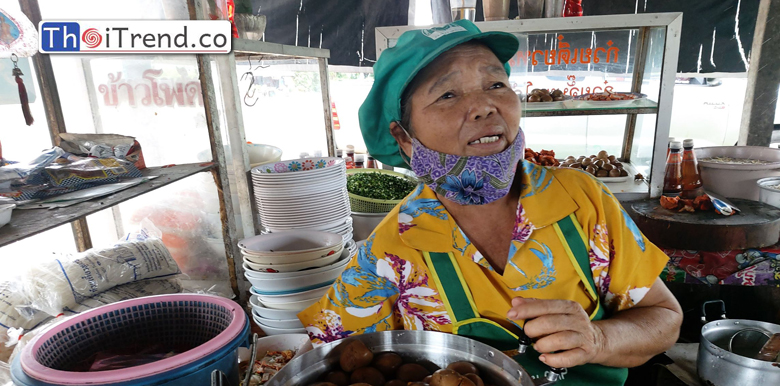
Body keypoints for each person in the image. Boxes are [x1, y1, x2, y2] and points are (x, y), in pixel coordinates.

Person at [298, 19, 682, 385]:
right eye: (447, 94)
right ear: (403, 137)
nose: (485, 106)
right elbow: (327, 358)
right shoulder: (393, 247)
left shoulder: (582, 200)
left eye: (496, 83)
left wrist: (599, 339)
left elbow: (664, 319)